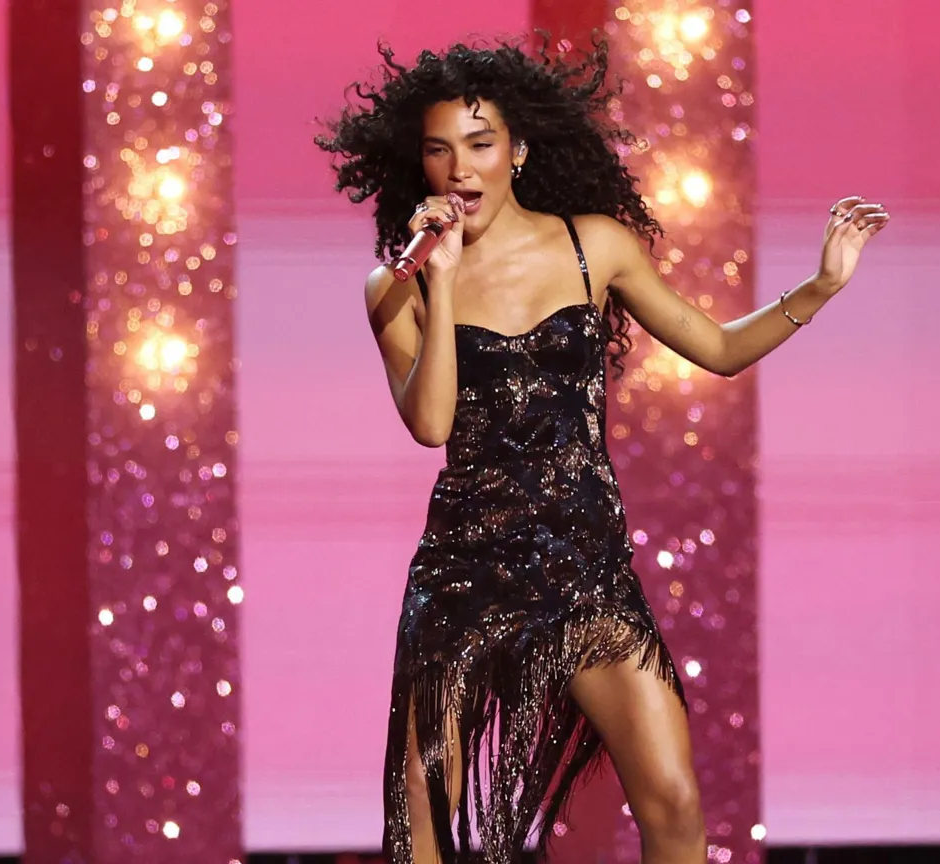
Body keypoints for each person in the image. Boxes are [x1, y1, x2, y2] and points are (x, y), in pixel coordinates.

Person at [315, 37, 888, 864]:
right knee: (422, 818)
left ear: (518, 150)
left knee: (673, 799)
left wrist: (821, 286)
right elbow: (433, 424)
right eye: (440, 150)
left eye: (480, 145)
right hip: (467, 571)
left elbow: (719, 351)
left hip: (585, 568)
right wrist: (438, 284)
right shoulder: (393, 286)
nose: (460, 169)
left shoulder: (595, 246)